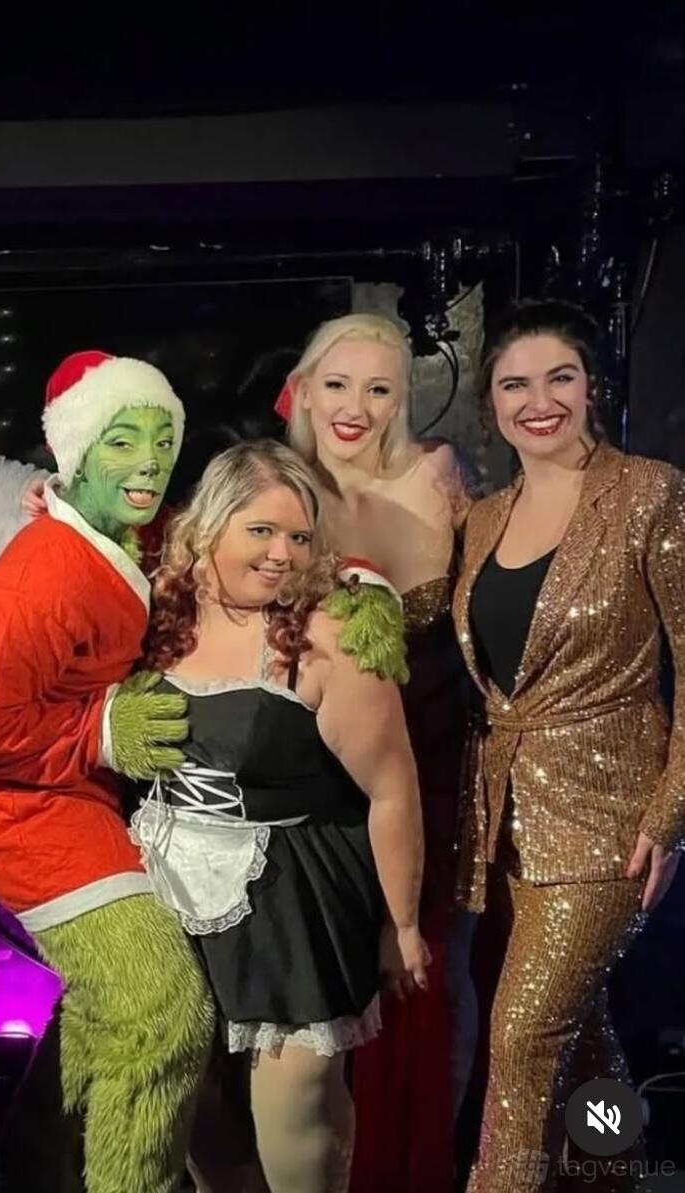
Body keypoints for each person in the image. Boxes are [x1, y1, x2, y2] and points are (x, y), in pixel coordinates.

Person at [0, 350, 215, 1193]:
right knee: (162, 1015)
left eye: (162, 440)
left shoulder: (116, 533)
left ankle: (40, 1173)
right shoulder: (46, 571)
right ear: (77, 454)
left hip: (72, 800)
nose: (149, 461)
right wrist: (99, 732)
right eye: (124, 440)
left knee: (101, 1021)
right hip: (29, 817)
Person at [132, 439, 427, 1193]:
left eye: (299, 536)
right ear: (210, 528)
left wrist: (402, 924)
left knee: (293, 1099)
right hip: (165, 888)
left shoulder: (327, 636)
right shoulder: (155, 608)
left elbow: (392, 787)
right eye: (260, 531)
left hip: (292, 899)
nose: (281, 554)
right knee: (188, 1108)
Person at [454, 300, 684, 1192]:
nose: (538, 400)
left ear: (593, 387)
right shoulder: (482, 517)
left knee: (520, 1041)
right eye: (516, 382)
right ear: (491, 401)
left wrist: (670, 814)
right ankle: (617, 1176)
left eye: (561, 377)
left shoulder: (650, 493)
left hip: (612, 816)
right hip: (510, 819)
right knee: (583, 1041)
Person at [280, 312, 474, 1190]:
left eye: (379, 388)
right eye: (338, 383)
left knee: (421, 996)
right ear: (306, 387)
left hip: (431, 773)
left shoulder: (438, 477)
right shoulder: (276, 488)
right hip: (315, 792)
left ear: (403, 401)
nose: (354, 406)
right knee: (319, 1019)